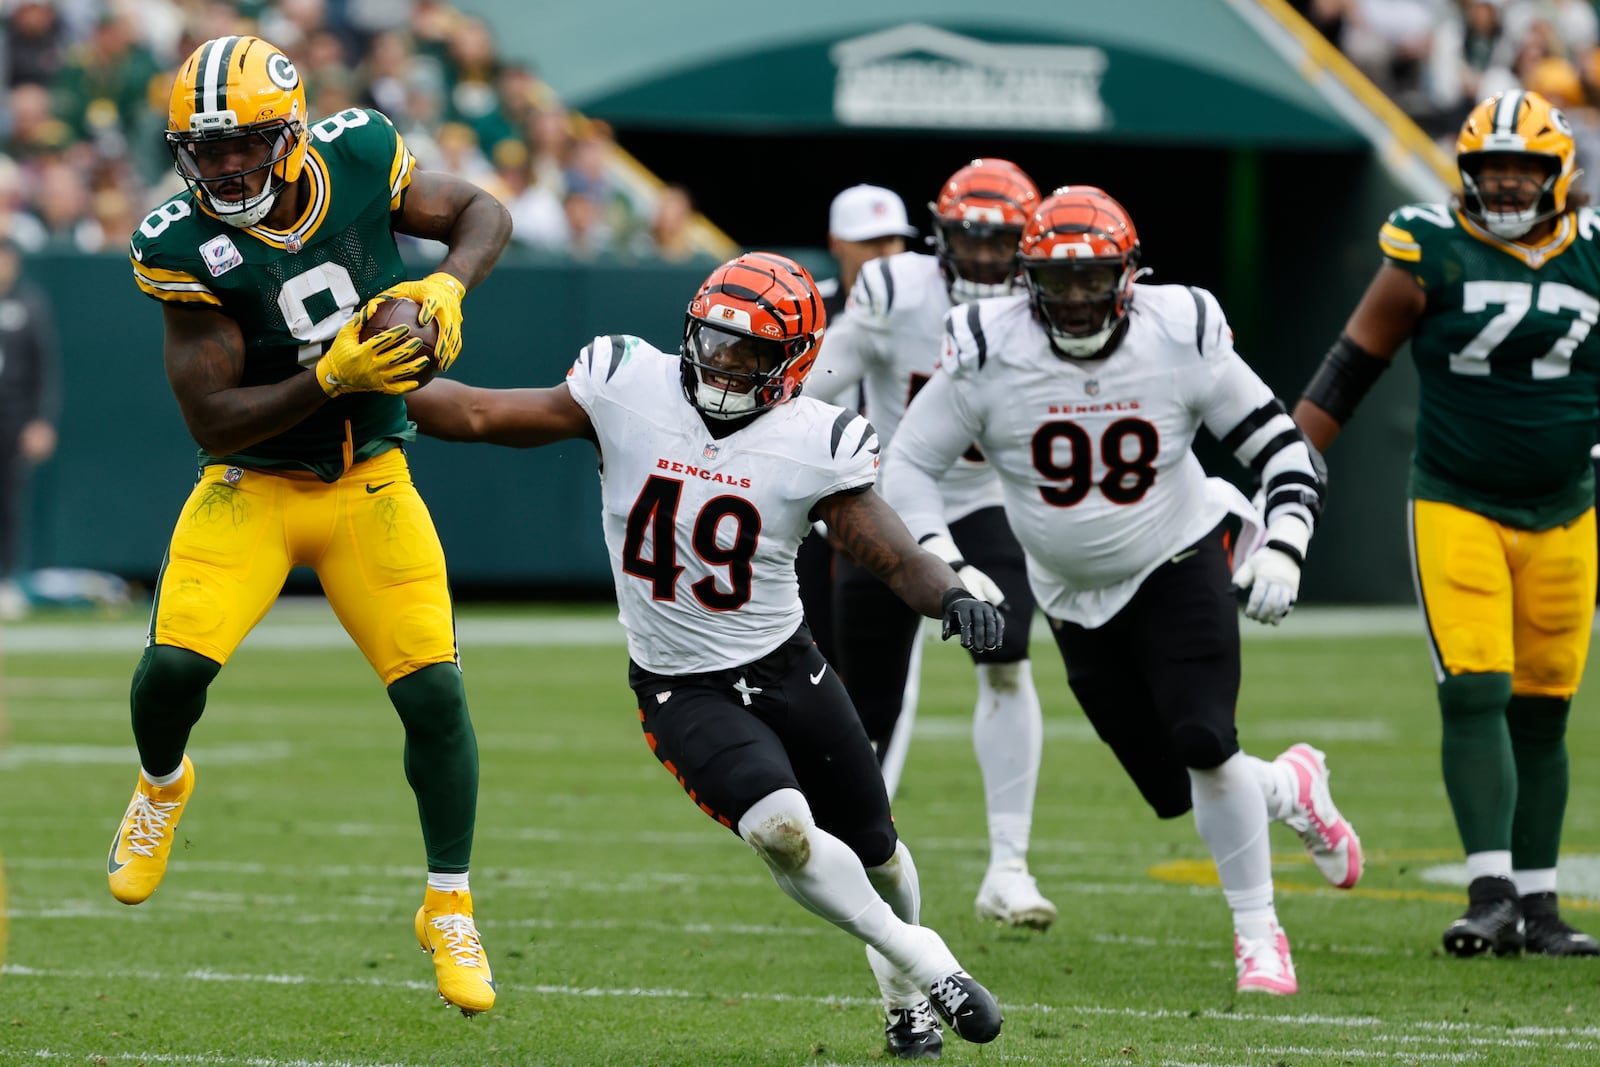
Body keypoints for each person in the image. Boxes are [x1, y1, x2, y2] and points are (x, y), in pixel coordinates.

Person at [403, 252, 1006, 1058]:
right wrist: (363, 382)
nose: (722, 364)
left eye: (747, 351)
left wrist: (955, 592)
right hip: (682, 685)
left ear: (790, 362)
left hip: (788, 664)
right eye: (713, 341)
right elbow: (475, 413)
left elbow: (892, 555)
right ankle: (927, 960)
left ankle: (903, 997)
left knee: (882, 854)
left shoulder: (814, 438)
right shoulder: (627, 385)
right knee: (782, 830)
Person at [108, 35, 513, 1016]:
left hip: (368, 479)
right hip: (250, 481)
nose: (228, 166)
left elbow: (479, 210)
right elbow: (211, 417)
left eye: (245, 144)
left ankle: (448, 902)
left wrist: (446, 283)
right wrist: (330, 375)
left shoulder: (362, 153)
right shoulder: (176, 242)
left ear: (289, 135)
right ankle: (163, 781)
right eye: (206, 150)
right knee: (171, 669)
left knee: (434, 693)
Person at [883, 186, 1365, 995]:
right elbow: (908, 465)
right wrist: (944, 560)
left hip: (1178, 554)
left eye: (1091, 279)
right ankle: (1290, 785)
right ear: (1027, 280)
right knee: (1176, 788)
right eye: (1057, 282)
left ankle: (1259, 936)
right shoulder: (986, 346)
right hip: (1071, 594)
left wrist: (1285, 544)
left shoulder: (1180, 333)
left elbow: (1282, 447)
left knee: (1207, 740)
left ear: (1129, 275)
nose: (1075, 300)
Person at [1290, 88, 1600, 959]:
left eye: (1523, 170)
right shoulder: (1431, 246)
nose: (1504, 187)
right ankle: (1491, 890)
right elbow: (1353, 361)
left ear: (1558, 174)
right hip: (1459, 497)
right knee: (1474, 687)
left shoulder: (1595, 254)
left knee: (1546, 706)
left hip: (1566, 506)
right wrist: (1283, 469)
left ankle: (1540, 907)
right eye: (1490, 170)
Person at [807, 158, 1056, 931]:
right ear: (941, 237)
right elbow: (824, 374)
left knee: (1007, 656)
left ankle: (1009, 866)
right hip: (884, 507)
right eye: (969, 239)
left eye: (999, 240)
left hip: (987, 501)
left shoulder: (1057, 299)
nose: (984, 256)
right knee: (867, 701)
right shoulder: (892, 288)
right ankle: (859, 861)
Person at [797, 183, 920, 669]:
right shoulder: (804, 307)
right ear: (837, 244)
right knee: (802, 648)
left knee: (883, 663)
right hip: (805, 495)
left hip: (891, 494)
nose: (885, 254)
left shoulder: (927, 310)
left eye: (892, 241)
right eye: (870, 242)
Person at [0, 238, 60, 619]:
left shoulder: (30, 304)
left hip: (13, 419)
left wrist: (41, 421)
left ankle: (5, 579)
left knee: (7, 502)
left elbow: (44, 368)